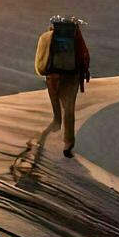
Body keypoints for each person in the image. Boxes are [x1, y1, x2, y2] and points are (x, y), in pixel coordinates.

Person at [34, 15, 90, 157]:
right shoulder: (76, 38)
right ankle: (68, 143)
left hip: (52, 78)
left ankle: (47, 131)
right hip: (71, 77)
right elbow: (85, 57)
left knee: (57, 113)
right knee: (69, 110)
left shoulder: (45, 37)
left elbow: (40, 63)